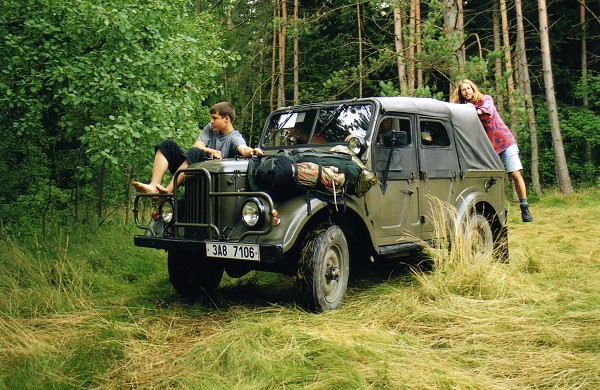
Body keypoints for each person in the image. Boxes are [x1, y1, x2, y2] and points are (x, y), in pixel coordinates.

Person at [132, 101, 263, 195]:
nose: (211, 121)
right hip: (192, 173)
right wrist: (209, 150)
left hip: (210, 180)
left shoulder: (235, 137)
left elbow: (243, 148)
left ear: (226, 119)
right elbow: (198, 145)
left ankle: (167, 193)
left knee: (195, 152)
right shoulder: (210, 128)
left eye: (214, 118)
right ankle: (154, 186)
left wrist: (252, 151)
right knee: (167, 145)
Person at [451, 79, 533, 222]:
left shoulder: (485, 99)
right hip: (489, 148)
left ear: (473, 88)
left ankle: (524, 207)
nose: (467, 91)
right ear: (461, 93)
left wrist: (474, 110)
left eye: (468, 88)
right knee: (488, 177)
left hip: (505, 141)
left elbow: (486, 111)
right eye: (463, 90)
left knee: (514, 173)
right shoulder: (463, 107)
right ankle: (496, 209)